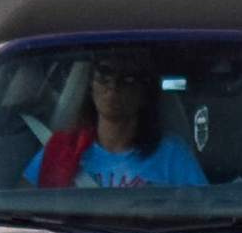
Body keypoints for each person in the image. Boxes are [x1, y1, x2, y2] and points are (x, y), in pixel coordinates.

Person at [24, 57, 208, 188]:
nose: (113, 85)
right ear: (91, 85)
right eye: (104, 73)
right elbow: (23, 209)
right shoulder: (61, 148)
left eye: (128, 78)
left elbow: (200, 211)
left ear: (144, 92)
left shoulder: (172, 153)